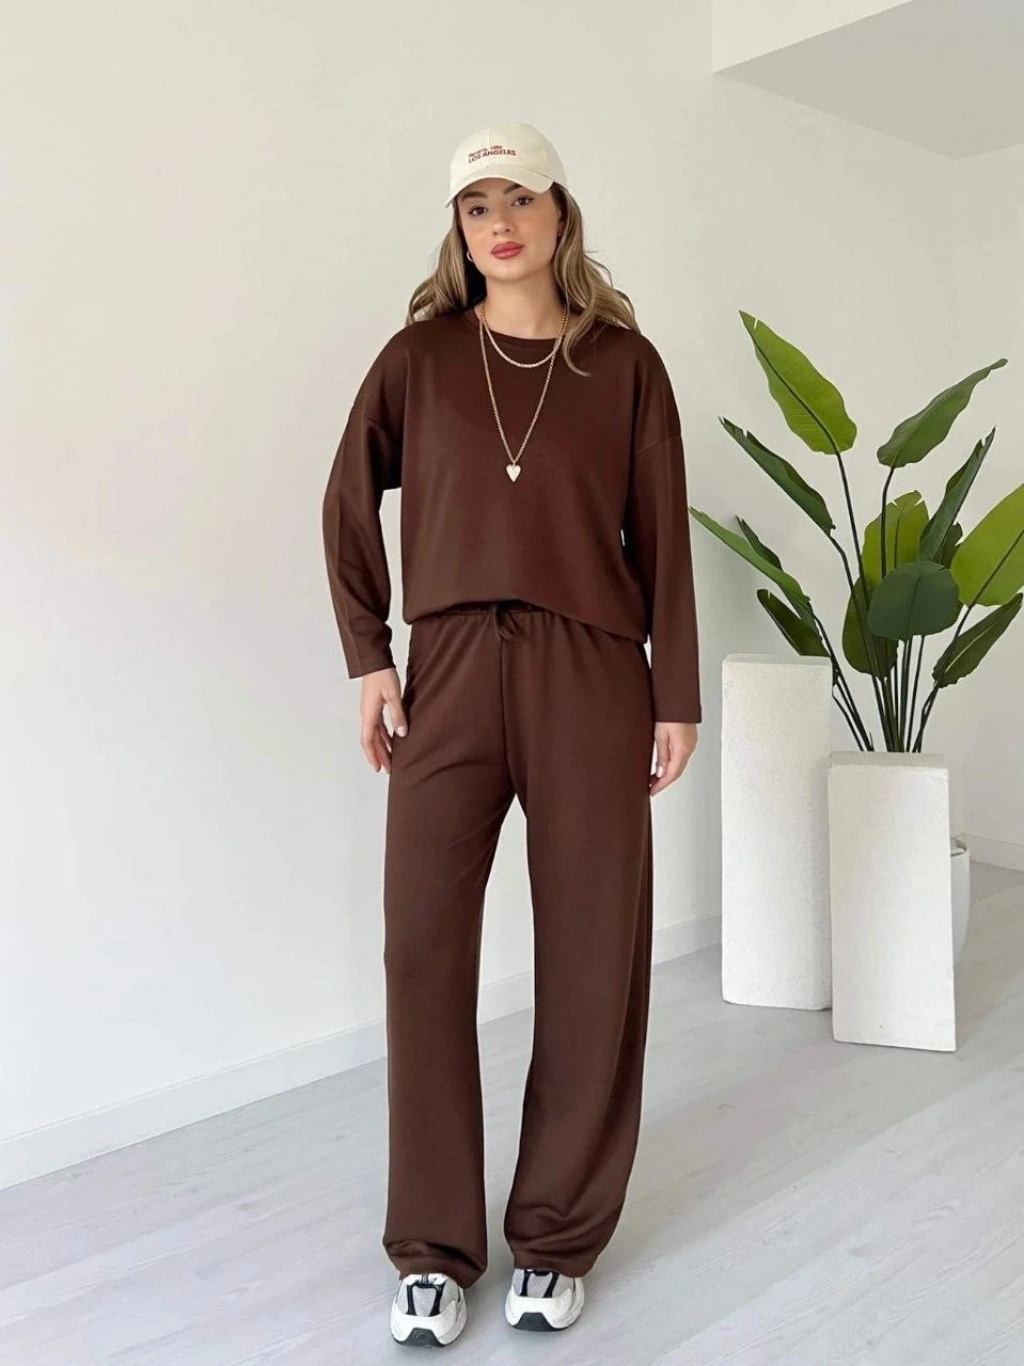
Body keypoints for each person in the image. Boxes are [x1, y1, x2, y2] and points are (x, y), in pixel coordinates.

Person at [321, 120, 702, 1347]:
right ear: (459, 226)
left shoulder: (626, 366)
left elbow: (663, 532)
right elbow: (345, 498)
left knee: (592, 947)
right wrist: (370, 655)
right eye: (476, 203)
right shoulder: (419, 358)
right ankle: (432, 1248)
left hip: (592, 670)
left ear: (559, 213)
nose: (500, 222)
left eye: (519, 197)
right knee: (421, 948)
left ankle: (554, 1235)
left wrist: (675, 692)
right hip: (449, 666)